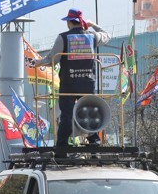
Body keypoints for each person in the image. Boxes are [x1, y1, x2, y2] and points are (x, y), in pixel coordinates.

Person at [35, 8, 110, 156]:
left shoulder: (63, 38)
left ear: (69, 22)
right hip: (87, 83)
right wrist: (93, 24)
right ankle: (94, 140)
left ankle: (63, 144)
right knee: (89, 111)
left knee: (67, 114)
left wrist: (39, 63)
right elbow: (107, 35)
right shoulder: (92, 36)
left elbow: (52, 59)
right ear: (81, 22)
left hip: (68, 83)